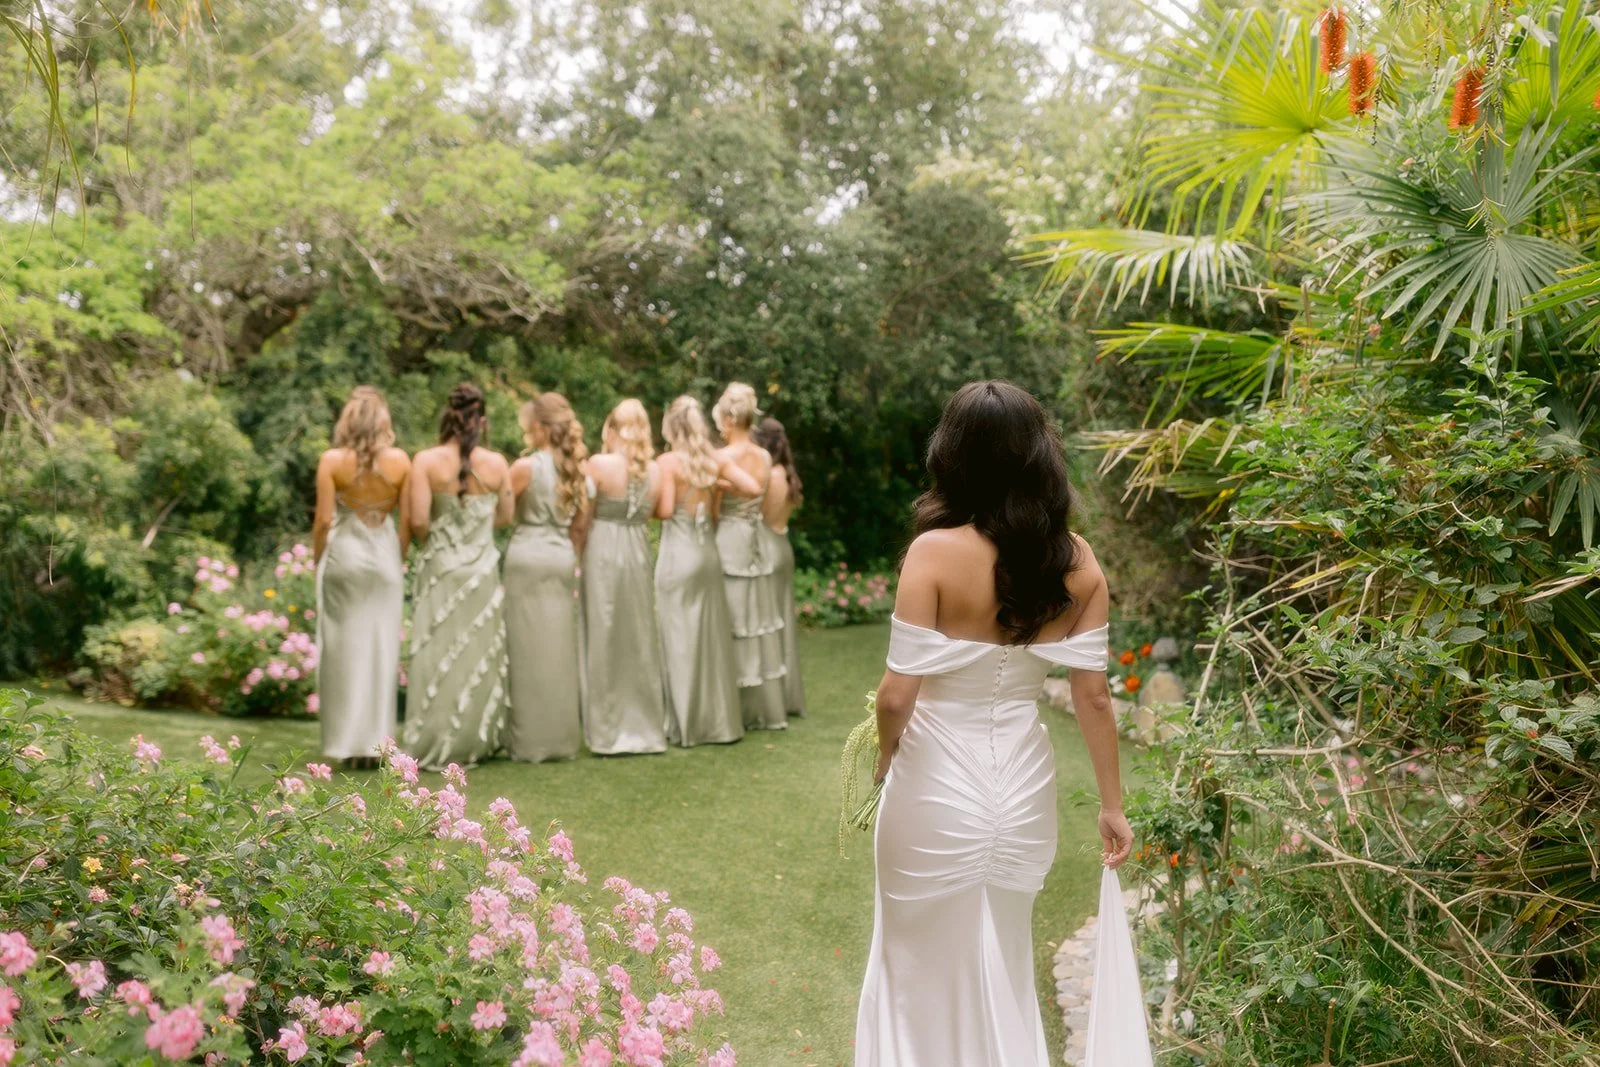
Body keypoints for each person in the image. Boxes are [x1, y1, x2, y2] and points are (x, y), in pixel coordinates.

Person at [854, 380, 1133, 1067]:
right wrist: (1112, 806)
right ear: (1041, 457)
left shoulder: (933, 553)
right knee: (1002, 961)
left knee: (913, 967)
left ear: (952, 455)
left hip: (933, 786)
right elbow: (1093, 697)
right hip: (1022, 790)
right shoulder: (1080, 562)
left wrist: (886, 757)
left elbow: (896, 696)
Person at [401, 383, 513, 771]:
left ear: (447, 416)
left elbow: (417, 520)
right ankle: (474, 741)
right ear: (481, 421)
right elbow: (505, 518)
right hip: (481, 571)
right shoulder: (498, 465)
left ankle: (431, 739)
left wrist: (438, 541)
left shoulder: (426, 461)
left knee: (438, 655)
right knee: (475, 655)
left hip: (441, 571)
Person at [312, 386, 411, 770]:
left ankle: (347, 743)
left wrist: (318, 559)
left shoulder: (332, 461)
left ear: (348, 421)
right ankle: (377, 746)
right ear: (383, 422)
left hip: (346, 559)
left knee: (342, 650)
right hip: (384, 559)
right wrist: (396, 556)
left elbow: (322, 521)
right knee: (381, 649)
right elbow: (406, 524)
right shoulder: (402, 462)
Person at [655, 395, 760, 747]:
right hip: (707, 555)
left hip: (677, 556)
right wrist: (717, 485)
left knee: (678, 639)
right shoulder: (713, 459)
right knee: (709, 639)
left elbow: (666, 510)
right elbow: (752, 487)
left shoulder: (668, 462)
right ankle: (718, 724)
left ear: (671, 427)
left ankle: (685, 725)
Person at [502, 392, 589, 762]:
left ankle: (527, 741)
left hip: (526, 557)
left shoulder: (525, 468)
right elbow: (580, 529)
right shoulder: (578, 471)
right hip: (560, 558)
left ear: (539, 427)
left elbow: (500, 515)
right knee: (557, 649)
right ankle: (560, 739)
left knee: (525, 650)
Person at [582, 398, 668, 755]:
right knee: (638, 634)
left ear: (611, 428)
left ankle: (605, 732)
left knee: (603, 633)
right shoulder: (657, 471)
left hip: (602, 546)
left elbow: (583, 517)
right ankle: (645, 729)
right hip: (636, 550)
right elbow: (658, 512)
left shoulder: (598, 464)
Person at [712, 382, 787, 731]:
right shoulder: (764, 457)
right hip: (754, 539)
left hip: (728, 537)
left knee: (730, 618)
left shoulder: (720, 458)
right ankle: (758, 705)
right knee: (754, 620)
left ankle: (730, 705)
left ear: (727, 418)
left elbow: (713, 509)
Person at [752, 416, 806, 717]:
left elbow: (755, 513)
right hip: (783, 547)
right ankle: (786, 694)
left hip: (767, 548)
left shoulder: (769, 475)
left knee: (769, 623)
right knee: (783, 620)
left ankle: (772, 697)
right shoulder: (787, 474)